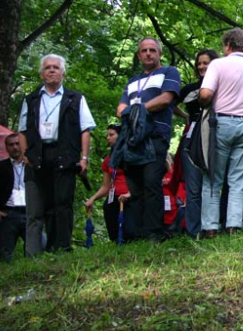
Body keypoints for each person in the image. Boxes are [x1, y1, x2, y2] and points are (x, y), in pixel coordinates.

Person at [19, 54, 96, 254]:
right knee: (43, 205)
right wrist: (25, 153)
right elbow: (22, 130)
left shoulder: (75, 98)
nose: (52, 70)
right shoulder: (31, 99)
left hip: (65, 155)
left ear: (63, 73)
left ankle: (62, 247)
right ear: (41, 74)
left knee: (63, 202)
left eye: (55, 67)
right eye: (47, 68)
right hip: (38, 155)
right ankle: (40, 251)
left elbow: (85, 129)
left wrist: (84, 157)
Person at [199, 28, 243, 237]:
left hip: (222, 123)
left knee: (213, 178)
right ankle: (234, 225)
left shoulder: (218, 64)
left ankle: (210, 226)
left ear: (227, 46)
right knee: (239, 179)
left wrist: (202, 100)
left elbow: (206, 94)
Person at [117, 37, 181, 243]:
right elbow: (120, 110)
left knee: (152, 183)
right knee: (134, 186)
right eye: (144, 50)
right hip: (132, 138)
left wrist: (137, 110)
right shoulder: (132, 81)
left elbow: (165, 99)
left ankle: (154, 233)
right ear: (138, 55)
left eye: (152, 50)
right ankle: (137, 234)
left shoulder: (169, 72)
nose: (148, 54)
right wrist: (133, 113)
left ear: (159, 53)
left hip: (155, 136)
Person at [176, 49, 218, 238]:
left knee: (213, 184)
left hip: (214, 136)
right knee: (193, 188)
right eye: (199, 63)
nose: (201, 66)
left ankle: (214, 226)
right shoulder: (189, 89)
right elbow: (170, 101)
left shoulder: (222, 85)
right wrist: (185, 115)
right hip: (192, 139)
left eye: (206, 63)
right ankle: (194, 231)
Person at [84, 124, 133, 243]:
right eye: (107, 135)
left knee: (129, 231)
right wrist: (93, 198)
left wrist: (130, 193)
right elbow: (106, 186)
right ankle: (115, 242)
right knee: (109, 209)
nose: (108, 138)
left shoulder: (131, 156)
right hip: (114, 197)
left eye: (111, 135)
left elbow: (139, 179)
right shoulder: (108, 160)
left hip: (129, 196)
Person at [0, 134, 31, 262]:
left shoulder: (32, 166)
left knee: (35, 250)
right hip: (7, 214)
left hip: (30, 212)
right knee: (5, 253)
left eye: (17, 143)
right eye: (11, 144)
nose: (15, 147)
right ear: (6, 148)